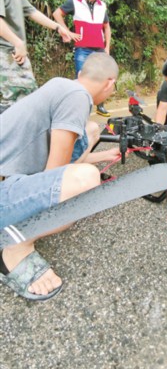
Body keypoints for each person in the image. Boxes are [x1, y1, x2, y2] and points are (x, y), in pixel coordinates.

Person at [0, 52, 121, 301]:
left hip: (10, 178)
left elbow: (60, 163)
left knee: (91, 129)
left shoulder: (62, 86)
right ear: (109, 83)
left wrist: (105, 155)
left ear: (80, 75)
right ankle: (14, 248)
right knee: (86, 181)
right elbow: (56, 176)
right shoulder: (78, 98)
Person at [0, 0, 71, 113]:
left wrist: (58, 27)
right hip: (6, 59)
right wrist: (17, 42)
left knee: (24, 107)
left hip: (14, 59)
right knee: (12, 110)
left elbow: (31, 11)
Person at [53, 0, 112, 117]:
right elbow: (57, 14)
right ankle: (79, 109)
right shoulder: (74, 2)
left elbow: (107, 27)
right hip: (82, 49)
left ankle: (100, 105)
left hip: (99, 50)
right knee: (82, 79)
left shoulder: (101, 6)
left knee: (101, 77)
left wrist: (107, 48)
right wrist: (67, 32)